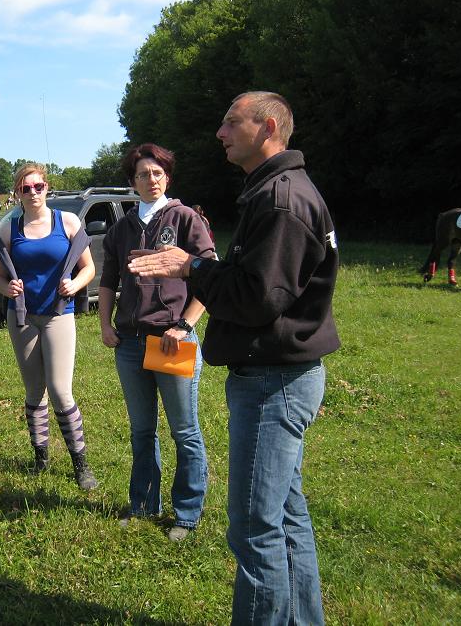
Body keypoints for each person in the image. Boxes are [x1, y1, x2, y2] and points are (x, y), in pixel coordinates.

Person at [128, 92, 339, 624]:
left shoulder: (282, 200)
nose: (220, 133)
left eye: (229, 123)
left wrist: (190, 269)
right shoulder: (273, 191)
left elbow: (257, 297)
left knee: (254, 527)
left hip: (274, 381)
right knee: (286, 518)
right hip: (277, 375)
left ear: (266, 127)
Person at [98, 143, 214, 541]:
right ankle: (144, 503)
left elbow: (209, 277)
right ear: (132, 182)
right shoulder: (121, 228)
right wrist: (104, 325)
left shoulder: (185, 219)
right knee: (141, 430)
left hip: (170, 341)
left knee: (184, 430)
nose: (151, 180)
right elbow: (108, 282)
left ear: (167, 177)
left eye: (158, 173)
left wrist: (184, 325)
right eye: (144, 174)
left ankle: (186, 513)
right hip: (130, 344)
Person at [0, 163, 99, 490]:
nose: (34, 192)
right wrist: (6, 289)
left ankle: (80, 464)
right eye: (27, 188)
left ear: (47, 188)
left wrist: (75, 285)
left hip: (58, 314)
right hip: (22, 317)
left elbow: (89, 268)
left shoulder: (67, 222)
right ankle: (41, 458)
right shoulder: (10, 229)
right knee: (34, 390)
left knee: (60, 390)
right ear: (18, 193)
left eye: (38, 186)